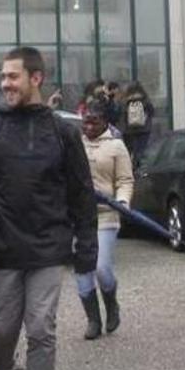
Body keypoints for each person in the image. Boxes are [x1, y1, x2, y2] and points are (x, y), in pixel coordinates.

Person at [0, 47, 98, 370]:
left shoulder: (62, 132)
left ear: (36, 79)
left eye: (12, 76)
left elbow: (82, 193)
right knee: (2, 331)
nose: (5, 84)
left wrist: (86, 246)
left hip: (48, 249)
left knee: (41, 330)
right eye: (3, 77)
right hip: (1, 251)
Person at [76, 107, 134, 340]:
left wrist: (122, 201)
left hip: (106, 215)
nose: (89, 127)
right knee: (83, 271)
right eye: (86, 123)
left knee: (101, 268)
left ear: (106, 123)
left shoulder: (116, 146)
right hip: (79, 218)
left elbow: (125, 180)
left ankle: (111, 304)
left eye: (95, 123)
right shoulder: (75, 144)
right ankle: (93, 319)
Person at [119, 81, 155, 168]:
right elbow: (151, 112)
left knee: (130, 150)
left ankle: (130, 166)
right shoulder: (144, 100)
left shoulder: (126, 101)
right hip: (144, 129)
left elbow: (122, 115)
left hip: (129, 130)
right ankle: (139, 166)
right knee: (141, 150)